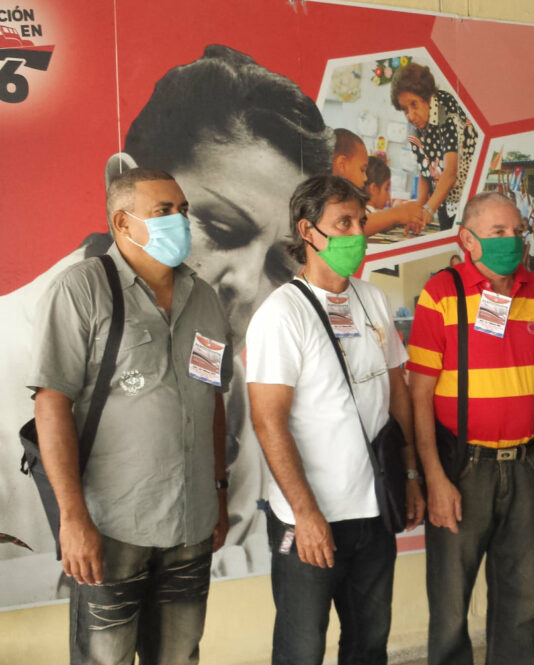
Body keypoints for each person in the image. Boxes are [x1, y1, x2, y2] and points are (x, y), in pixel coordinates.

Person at [0, 43, 333, 605]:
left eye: (280, 262)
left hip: (182, 559)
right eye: (222, 228)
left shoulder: (216, 340)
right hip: (93, 576)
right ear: (124, 193)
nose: (246, 283)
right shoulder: (14, 348)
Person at [30, 168, 232, 665]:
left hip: (191, 523)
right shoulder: (83, 290)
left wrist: (218, 494)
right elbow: (51, 404)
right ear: (123, 222)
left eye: (184, 208)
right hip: (109, 527)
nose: (181, 220)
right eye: (165, 208)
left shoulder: (204, 297)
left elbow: (212, 399)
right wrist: (72, 519)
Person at [247, 175, 427, 665]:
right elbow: (269, 421)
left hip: (372, 509)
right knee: (301, 651)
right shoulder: (281, 315)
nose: (357, 234)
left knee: (369, 641)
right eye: (344, 224)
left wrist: (407, 474)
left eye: (361, 222)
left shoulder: (372, 298)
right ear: (308, 232)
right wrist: (304, 513)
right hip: (310, 519)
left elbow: (397, 388)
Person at [407, 192, 534, 665]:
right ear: (467, 240)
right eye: (498, 229)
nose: (513, 238)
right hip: (463, 469)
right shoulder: (441, 294)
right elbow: (420, 393)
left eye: (518, 228)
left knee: (520, 600)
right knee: (451, 608)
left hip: (526, 465)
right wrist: (434, 476)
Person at [391, 63, 478, 230]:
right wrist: (417, 215)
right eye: (404, 110)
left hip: (469, 198)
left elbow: (450, 172)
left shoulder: (447, 108)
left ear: (428, 96)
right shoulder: (413, 127)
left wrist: (428, 210)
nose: (410, 115)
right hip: (445, 199)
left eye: (414, 104)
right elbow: (424, 172)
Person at [334, 129, 426, 236]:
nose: (365, 178)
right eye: (362, 170)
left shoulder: (348, 203)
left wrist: (400, 219)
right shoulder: (329, 201)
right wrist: (398, 213)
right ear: (342, 164)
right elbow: (353, 227)